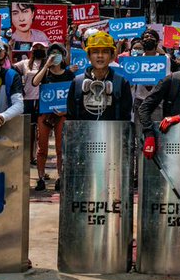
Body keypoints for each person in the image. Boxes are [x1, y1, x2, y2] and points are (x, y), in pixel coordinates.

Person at [33, 42, 73, 192]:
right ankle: (41, 178)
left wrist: (65, 112)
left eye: (58, 55)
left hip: (62, 116)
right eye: (52, 54)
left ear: (63, 57)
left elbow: (73, 97)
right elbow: (35, 82)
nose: (55, 57)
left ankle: (59, 177)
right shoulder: (45, 74)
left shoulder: (69, 74)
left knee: (60, 148)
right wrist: (45, 66)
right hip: (44, 114)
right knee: (41, 148)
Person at [67, 32, 133, 121]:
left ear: (112, 56)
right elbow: (71, 117)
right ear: (88, 56)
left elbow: (126, 118)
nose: (100, 56)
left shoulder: (121, 83)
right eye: (95, 52)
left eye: (105, 52)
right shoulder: (78, 82)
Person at [16, 42, 47, 165]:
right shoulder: (24, 63)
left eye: (41, 47)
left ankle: (39, 157)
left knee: (42, 132)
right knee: (29, 130)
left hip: (43, 100)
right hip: (28, 99)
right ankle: (29, 156)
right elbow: (9, 67)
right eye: (36, 47)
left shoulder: (48, 64)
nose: (38, 49)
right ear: (32, 49)